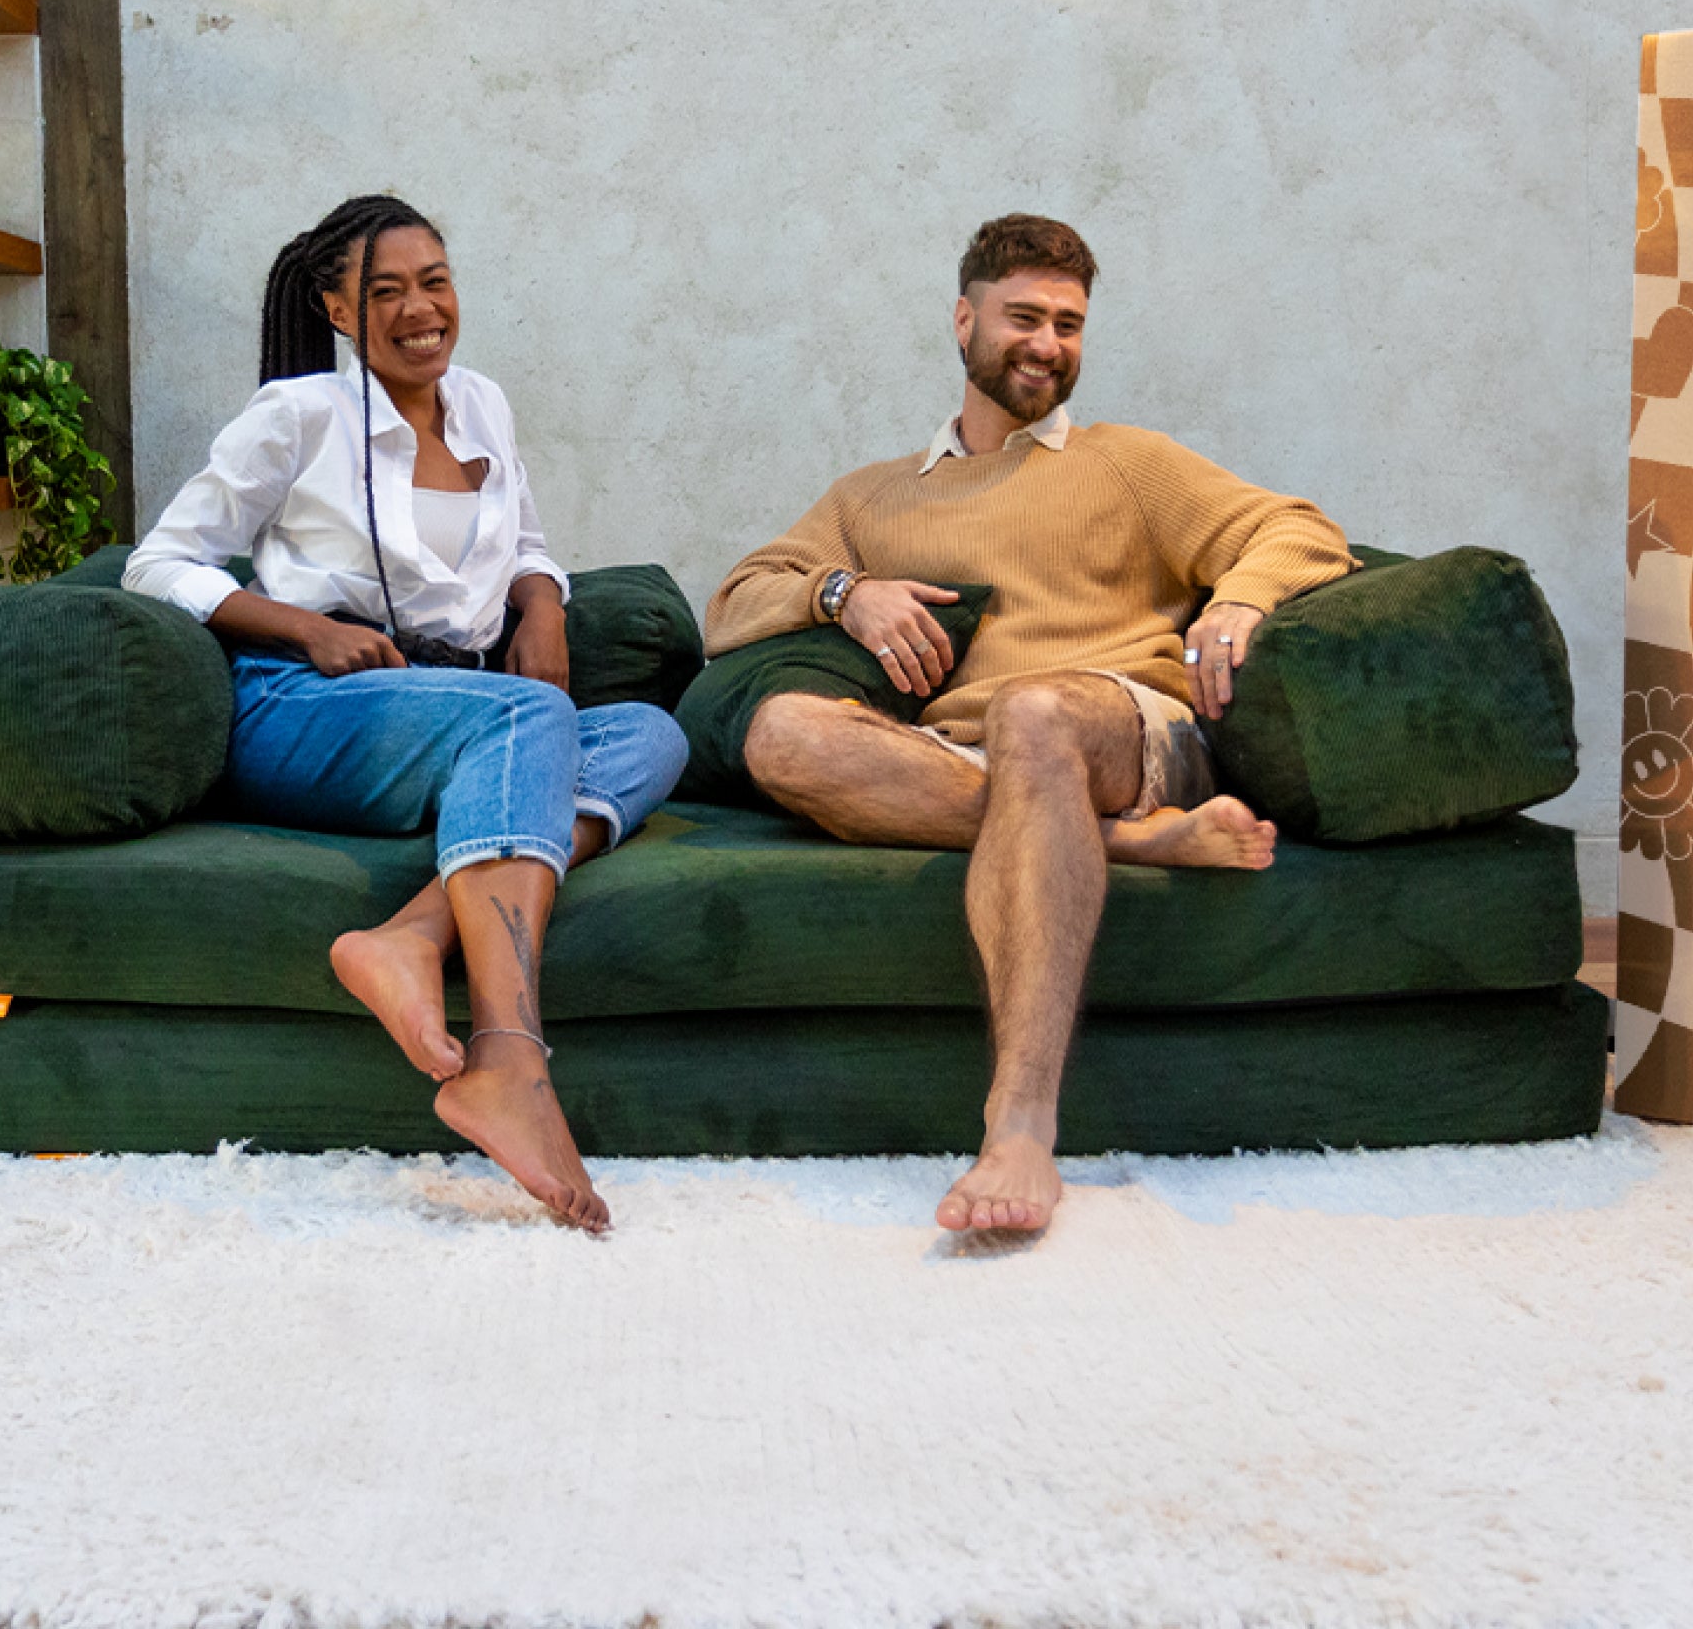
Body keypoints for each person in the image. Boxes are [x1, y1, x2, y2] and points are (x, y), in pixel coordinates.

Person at [705, 213, 1357, 1236]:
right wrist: (844, 592)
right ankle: (1112, 845)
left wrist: (1241, 598)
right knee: (784, 730)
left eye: (1069, 323)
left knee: (1034, 711)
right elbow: (737, 600)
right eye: (1024, 317)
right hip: (966, 755)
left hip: (1116, 723)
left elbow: (1296, 527)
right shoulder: (874, 496)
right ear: (964, 320)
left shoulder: (1126, 463)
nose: (1048, 344)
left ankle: (1019, 1123)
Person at [125, 195, 687, 1232]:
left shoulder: (482, 403)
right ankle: (510, 1062)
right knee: (526, 721)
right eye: (386, 291)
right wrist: (300, 627)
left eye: (435, 280)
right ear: (339, 308)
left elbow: (525, 538)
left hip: (463, 706)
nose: (419, 308)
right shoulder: (296, 416)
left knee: (653, 734)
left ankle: (410, 935)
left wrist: (545, 600)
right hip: (307, 706)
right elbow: (158, 564)